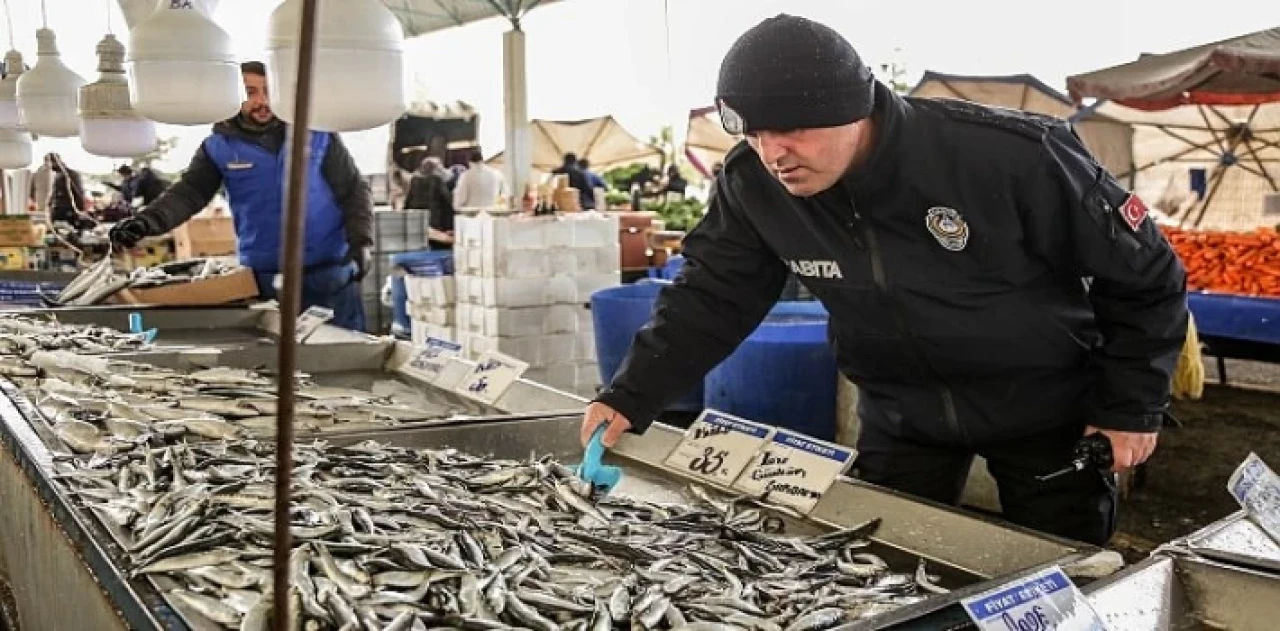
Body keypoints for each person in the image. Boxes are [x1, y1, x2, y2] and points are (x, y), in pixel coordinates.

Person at [579, 15, 1189, 547]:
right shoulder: (754, 187)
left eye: (791, 129)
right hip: (902, 416)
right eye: (755, 133)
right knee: (884, 567)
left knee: (1059, 572)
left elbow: (1146, 276)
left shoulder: (1012, 156)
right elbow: (712, 296)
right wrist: (631, 396)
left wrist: (1131, 406)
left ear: (854, 109)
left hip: (1048, 412)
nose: (774, 153)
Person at [109, 61, 373, 331]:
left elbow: (353, 189)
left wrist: (361, 241)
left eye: (269, 91)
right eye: (250, 93)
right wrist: (145, 223)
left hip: (328, 272)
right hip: (265, 277)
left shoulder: (318, 134)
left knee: (345, 350)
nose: (262, 101)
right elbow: (188, 194)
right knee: (275, 360)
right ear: (233, 97)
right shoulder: (217, 147)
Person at [404, 156, 455, 250]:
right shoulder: (437, 180)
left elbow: (407, 203)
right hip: (436, 225)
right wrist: (450, 226)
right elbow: (447, 203)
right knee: (437, 250)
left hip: (418, 223)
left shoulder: (414, 180)